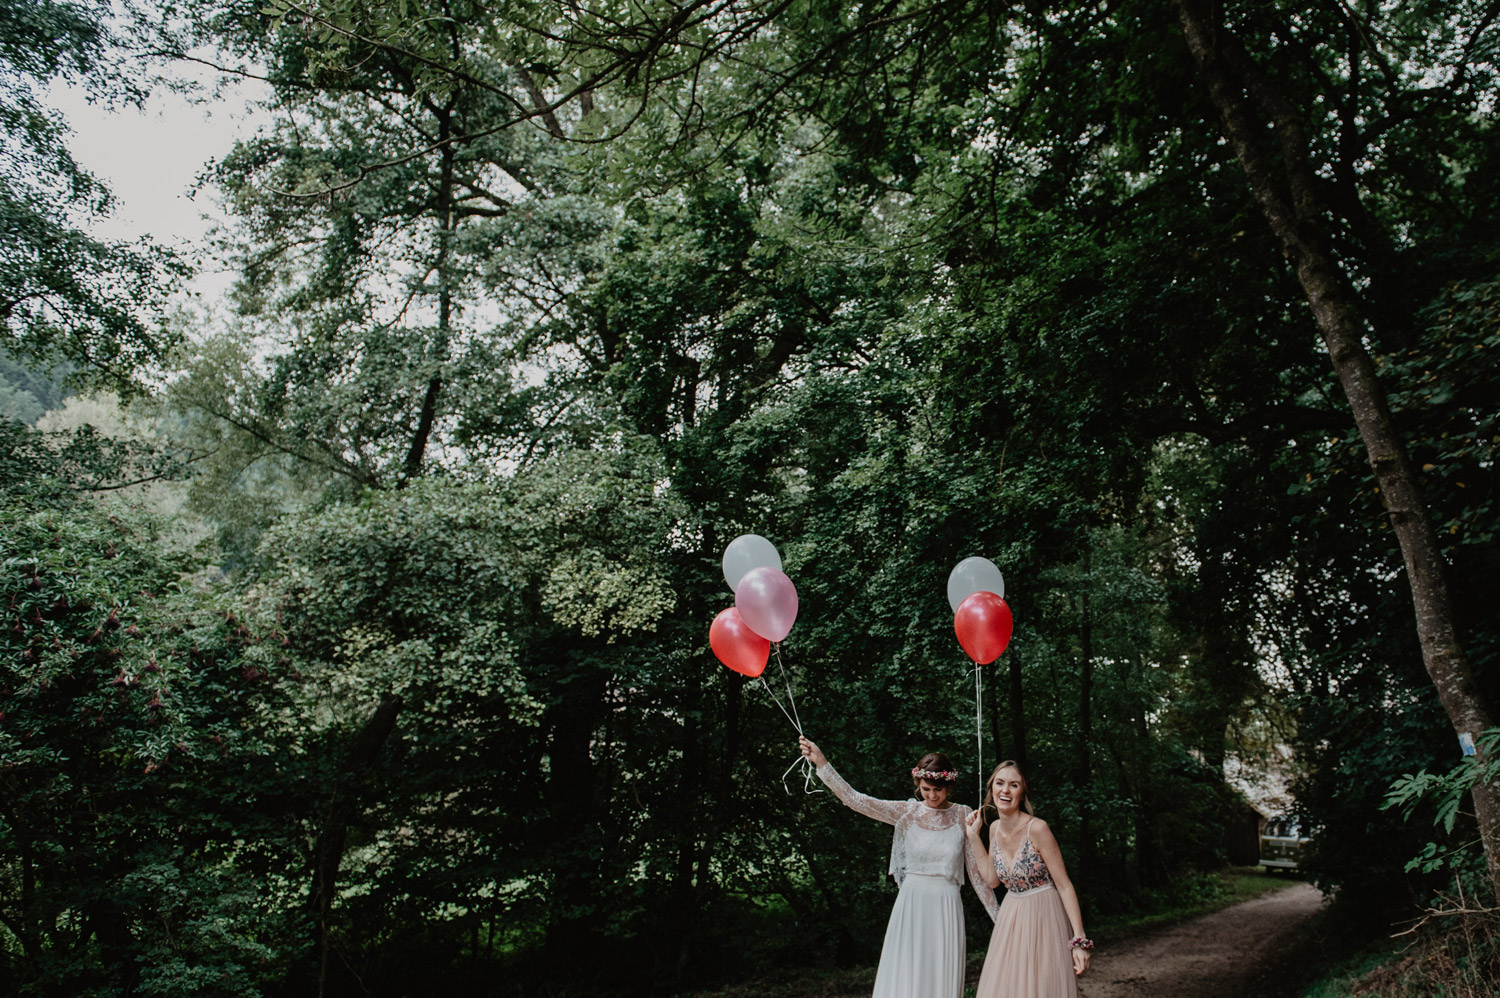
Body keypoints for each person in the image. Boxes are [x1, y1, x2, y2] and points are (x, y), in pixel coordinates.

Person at [798, 735, 998, 998]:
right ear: (918, 783)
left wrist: (1001, 919)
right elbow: (855, 800)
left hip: (946, 904)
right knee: (907, 977)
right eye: (926, 789)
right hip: (912, 904)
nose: (932, 795)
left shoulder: (963, 815)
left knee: (940, 978)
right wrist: (822, 762)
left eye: (938, 790)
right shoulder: (908, 812)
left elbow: (977, 875)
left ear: (949, 786)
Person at [965, 760, 1091, 998]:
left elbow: (1064, 886)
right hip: (1011, 917)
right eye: (1000, 784)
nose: (1005, 790)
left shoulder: (1038, 829)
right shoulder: (993, 829)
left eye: (1014, 785)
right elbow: (992, 880)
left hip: (1044, 914)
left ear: (1022, 793)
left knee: (1041, 987)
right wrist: (973, 838)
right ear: (991, 789)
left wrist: (1079, 940)